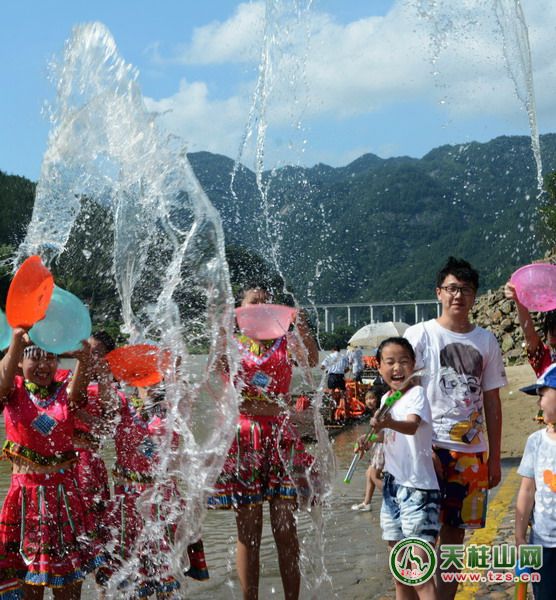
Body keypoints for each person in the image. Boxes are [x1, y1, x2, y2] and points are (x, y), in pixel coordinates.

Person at [404, 256, 507, 599]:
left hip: (472, 453)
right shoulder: (420, 335)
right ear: (439, 293)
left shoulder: (487, 341)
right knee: (422, 534)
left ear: (475, 295)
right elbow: (401, 390)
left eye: (465, 289)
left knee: (455, 538)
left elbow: (492, 401)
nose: (457, 296)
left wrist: (493, 458)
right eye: (451, 289)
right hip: (428, 449)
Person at [208, 287, 319, 600]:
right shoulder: (233, 343)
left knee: (286, 530)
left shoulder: (286, 340)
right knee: (249, 532)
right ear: (241, 309)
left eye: (263, 300)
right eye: (251, 301)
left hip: (281, 435)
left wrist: (301, 324)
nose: (258, 305)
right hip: (244, 436)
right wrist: (219, 325)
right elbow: (215, 371)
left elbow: (311, 359)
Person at [0, 329, 102, 600]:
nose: (44, 365)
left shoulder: (65, 390)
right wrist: (16, 342)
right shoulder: (12, 391)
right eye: (35, 357)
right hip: (25, 503)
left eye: (51, 358)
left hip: (64, 502)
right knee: (28, 590)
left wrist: (81, 358)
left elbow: (78, 397)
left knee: (68, 591)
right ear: (20, 362)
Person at [97, 379, 209, 596]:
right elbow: (103, 397)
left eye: (158, 377)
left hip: (163, 500)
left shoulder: (174, 406)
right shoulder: (122, 405)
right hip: (128, 502)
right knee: (129, 579)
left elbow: (187, 390)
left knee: (165, 578)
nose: (152, 383)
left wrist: (174, 371)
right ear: (133, 380)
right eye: (144, 377)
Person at [368, 337, 440, 600]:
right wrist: (368, 440)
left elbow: (410, 425)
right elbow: (388, 437)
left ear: (414, 365)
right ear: (379, 367)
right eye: (390, 362)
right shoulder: (388, 397)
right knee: (401, 575)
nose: (397, 367)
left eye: (404, 361)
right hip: (392, 489)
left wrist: (386, 423)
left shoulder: (417, 394)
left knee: (419, 575)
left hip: (418, 489)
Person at [515, 363, 556, 600]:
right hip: (543, 541)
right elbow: (527, 490)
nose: (538, 402)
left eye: (542, 395)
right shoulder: (536, 441)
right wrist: (520, 535)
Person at [504, 282, 556, 376]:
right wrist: (519, 300)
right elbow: (529, 335)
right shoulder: (543, 358)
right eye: (553, 333)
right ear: (546, 333)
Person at [351, 388, 385, 512]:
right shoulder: (375, 413)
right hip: (378, 446)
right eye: (367, 399)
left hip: (383, 447)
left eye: (372, 398)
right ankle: (367, 503)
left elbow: (380, 436)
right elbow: (372, 437)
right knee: (369, 474)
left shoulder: (379, 413)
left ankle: (394, 497)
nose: (369, 401)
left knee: (373, 475)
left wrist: (364, 439)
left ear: (378, 399)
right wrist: (364, 446)